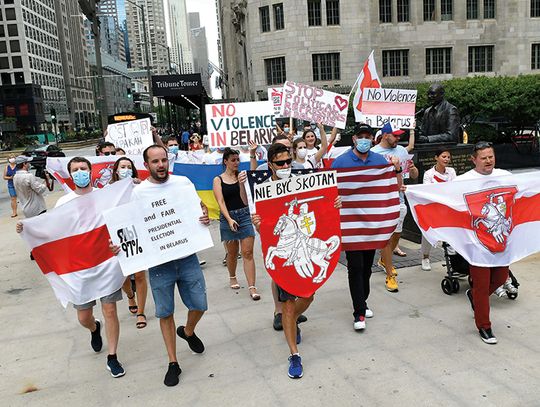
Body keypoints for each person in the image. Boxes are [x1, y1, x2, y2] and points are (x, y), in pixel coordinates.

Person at [17, 156, 126, 378]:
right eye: (75, 169)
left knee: (110, 310)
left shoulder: (105, 196)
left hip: (106, 261)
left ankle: (112, 357)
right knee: (83, 317)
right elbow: (51, 231)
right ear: (71, 174)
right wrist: (27, 229)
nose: (80, 172)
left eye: (83, 168)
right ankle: (94, 328)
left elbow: (123, 219)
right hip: (79, 268)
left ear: (90, 171)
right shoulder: (63, 203)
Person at [112, 145, 210, 386]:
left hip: (187, 257)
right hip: (160, 264)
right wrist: (120, 245)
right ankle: (173, 362)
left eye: (164, 160)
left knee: (200, 305)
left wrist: (204, 216)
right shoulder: (139, 193)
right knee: (165, 312)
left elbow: (198, 208)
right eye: (155, 161)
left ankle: (187, 331)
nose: (161, 165)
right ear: (146, 165)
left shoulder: (183, 183)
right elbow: (129, 225)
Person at [251, 142, 341, 378]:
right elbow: (266, 228)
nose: (286, 166)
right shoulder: (263, 190)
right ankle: (294, 354)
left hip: (303, 240)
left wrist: (334, 205)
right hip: (281, 251)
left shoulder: (301, 183)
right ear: (270, 164)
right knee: (289, 305)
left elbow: (318, 208)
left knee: (308, 295)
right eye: (280, 163)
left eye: (288, 162)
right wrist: (259, 225)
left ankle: (289, 319)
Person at [331, 124, 401, 330]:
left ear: (373, 139)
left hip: (372, 224)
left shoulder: (380, 162)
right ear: (353, 139)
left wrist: (396, 169)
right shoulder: (340, 162)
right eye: (360, 136)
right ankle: (358, 312)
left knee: (367, 268)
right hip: (350, 225)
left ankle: (363, 301)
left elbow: (392, 188)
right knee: (355, 267)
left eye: (367, 136)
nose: (363, 140)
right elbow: (330, 189)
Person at [457, 141, 511, 345]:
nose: (488, 161)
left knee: (500, 278)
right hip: (477, 242)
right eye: (483, 157)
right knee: (481, 285)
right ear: (473, 159)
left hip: (501, 240)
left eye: (491, 156)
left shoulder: (505, 176)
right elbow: (441, 196)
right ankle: (484, 326)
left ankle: (475, 298)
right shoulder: (463, 180)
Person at [371, 122, 419, 292]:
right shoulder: (373, 153)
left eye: (400, 135)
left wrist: (412, 169)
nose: (398, 138)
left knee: (397, 234)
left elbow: (413, 174)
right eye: (395, 135)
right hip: (381, 199)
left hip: (399, 197)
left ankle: (385, 260)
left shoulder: (402, 151)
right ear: (385, 135)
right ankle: (389, 275)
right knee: (387, 236)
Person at [213, 148, 259, 300]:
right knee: (232, 253)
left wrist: (252, 153)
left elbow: (254, 171)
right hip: (229, 217)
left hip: (245, 215)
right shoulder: (218, 180)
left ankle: (252, 286)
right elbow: (220, 201)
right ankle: (232, 276)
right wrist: (229, 219)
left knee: (248, 252)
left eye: (238, 160)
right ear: (225, 161)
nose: (236, 163)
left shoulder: (242, 176)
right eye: (233, 160)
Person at [110, 157, 148, 329]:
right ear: (116, 170)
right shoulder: (108, 191)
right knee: (124, 275)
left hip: (138, 232)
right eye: (122, 167)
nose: (126, 170)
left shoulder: (140, 187)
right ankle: (130, 295)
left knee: (139, 275)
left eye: (128, 167)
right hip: (119, 236)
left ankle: (141, 311)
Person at [420, 149, 456, 271]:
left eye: (448, 157)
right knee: (427, 233)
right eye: (443, 156)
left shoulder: (451, 172)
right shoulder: (428, 174)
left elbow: (454, 188)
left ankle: (453, 260)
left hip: (447, 208)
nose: (446, 159)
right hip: (432, 208)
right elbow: (428, 191)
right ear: (436, 158)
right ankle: (425, 257)